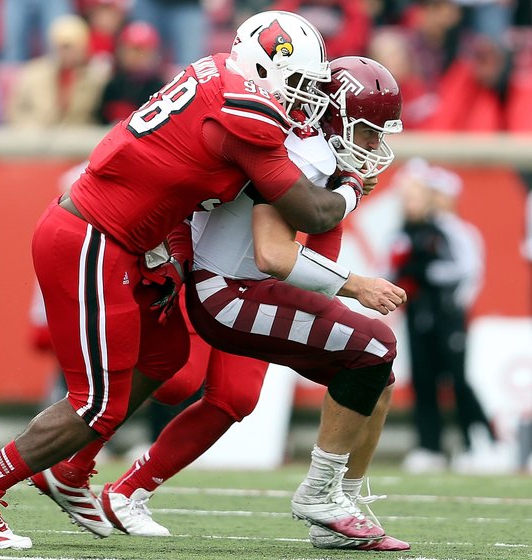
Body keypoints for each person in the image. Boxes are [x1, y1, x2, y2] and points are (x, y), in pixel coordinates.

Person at [0, 10, 362, 549]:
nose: (303, 100)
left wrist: (170, 251)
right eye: (296, 85)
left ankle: (68, 471)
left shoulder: (221, 70)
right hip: (92, 237)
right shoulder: (247, 117)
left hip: (129, 239)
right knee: (96, 402)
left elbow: (170, 180)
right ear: (263, 68)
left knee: (166, 357)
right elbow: (313, 213)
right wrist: (352, 186)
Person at [95, 56, 404, 549]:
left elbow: (319, 234)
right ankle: (69, 454)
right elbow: (258, 239)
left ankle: (337, 503)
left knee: (246, 395)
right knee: (178, 380)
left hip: (253, 282)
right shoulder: (275, 136)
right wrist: (350, 283)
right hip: (209, 270)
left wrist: (316, 295)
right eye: (367, 132)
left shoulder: (320, 153)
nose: (374, 146)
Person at [388, 159, 496, 474]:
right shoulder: (404, 233)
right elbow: (391, 268)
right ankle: (429, 446)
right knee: (423, 380)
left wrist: (431, 276)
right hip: (418, 314)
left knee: (456, 378)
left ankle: (477, 441)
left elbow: (467, 270)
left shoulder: (453, 230)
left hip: (447, 314)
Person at [5, 14, 109, 128]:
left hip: (76, 139)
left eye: (73, 46)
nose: (68, 52)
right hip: (36, 138)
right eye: (63, 46)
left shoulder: (95, 78)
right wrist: (31, 131)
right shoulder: (33, 73)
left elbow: (96, 117)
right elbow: (15, 112)